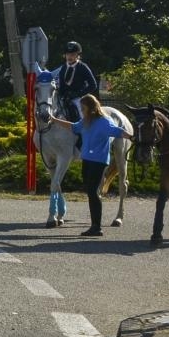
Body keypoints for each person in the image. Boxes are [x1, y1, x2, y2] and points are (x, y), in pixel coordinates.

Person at [52, 94, 126, 237]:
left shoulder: (104, 121)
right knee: (90, 191)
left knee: (93, 192)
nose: (81, 110)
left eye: (83, 107)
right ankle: (94, 225)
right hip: (87, 160)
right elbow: (73, 127)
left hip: (98, 161)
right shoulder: (86, 121)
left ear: (91, 108)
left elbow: (117, 131)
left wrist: (130, 136)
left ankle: (96, 227)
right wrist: (55, 120)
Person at [55, 41, 99, 121]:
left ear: (78, 55)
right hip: (64, 98)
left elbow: (93, 85)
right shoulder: (62, 68)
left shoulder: (83, 67)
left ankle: (83, 130)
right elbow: (60, 84)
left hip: (79, 98)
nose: (69, 57)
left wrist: (77, 94)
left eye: (72, 54)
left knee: (81, 115)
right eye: (68, 54)